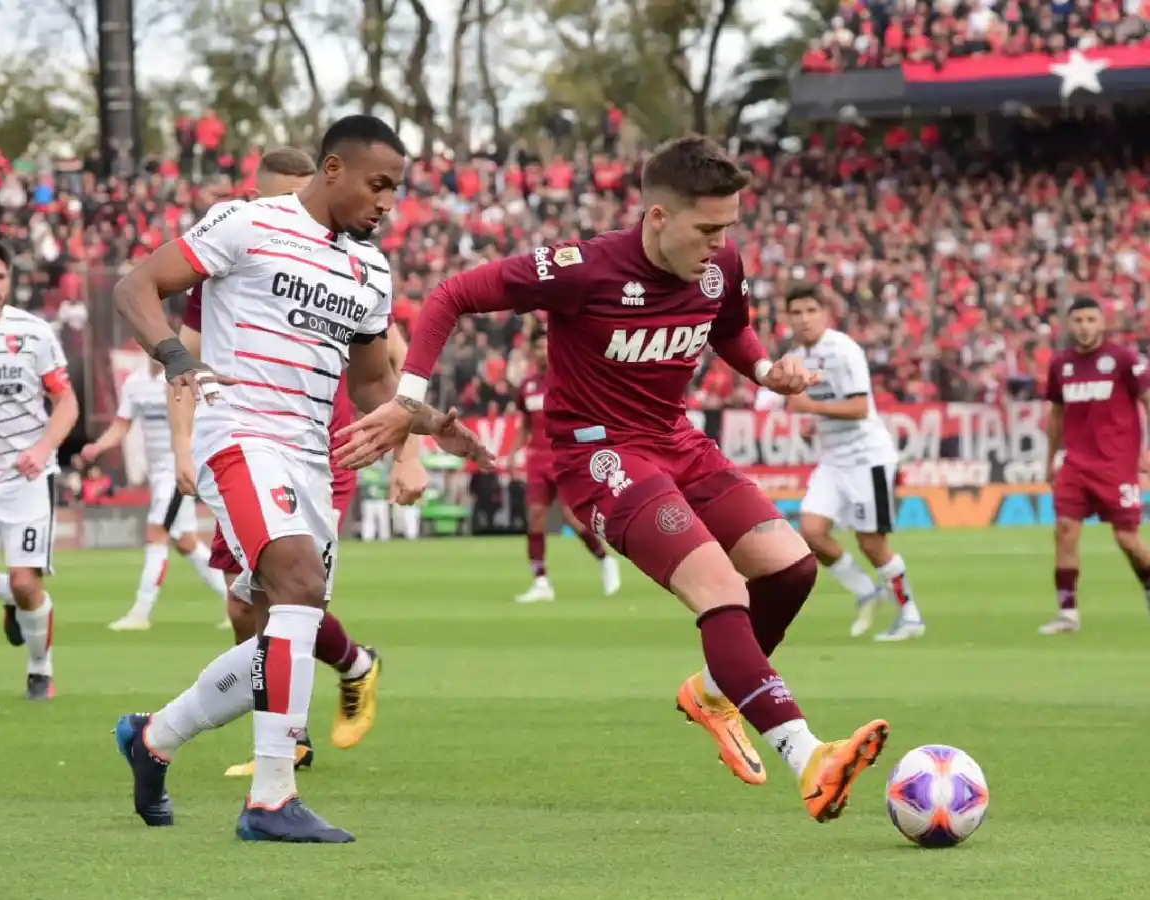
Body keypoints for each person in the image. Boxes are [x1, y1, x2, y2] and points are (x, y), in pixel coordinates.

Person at [344, 136, 889, 823]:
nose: (720, 245)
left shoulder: (720, 264)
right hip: (599, 457)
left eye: (729, 229)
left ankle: (716, 692)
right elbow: (453, 293)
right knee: (719, 588)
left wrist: (764, 372)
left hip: (676, 440)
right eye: (708, 229)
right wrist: (410, 400)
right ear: (657, 219)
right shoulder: (583, 269)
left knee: (791, 570)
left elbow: (731, 329)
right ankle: (809, 755)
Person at [112, 116, 490, 843]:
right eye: (378, 184)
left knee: (284, 631)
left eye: (397, 190)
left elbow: (377, 384)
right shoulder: (247, 224)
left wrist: (432, 425)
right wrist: (174, 357)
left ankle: (152, 736)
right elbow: (137, 285)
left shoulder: (370, 270)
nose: (388, 202)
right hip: (240, 439)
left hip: (312, 461)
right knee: (297, 586)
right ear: (332, 168)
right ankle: (271, 799)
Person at [166, 147, 426, 777]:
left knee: (290, 592)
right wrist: (183, 444)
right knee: (251, 606)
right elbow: (184, 360)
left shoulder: (358, 265)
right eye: (272, 199)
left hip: (327, 448)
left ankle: (276, 742)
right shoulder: (233, 257)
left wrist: (408, 454)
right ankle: (331, 688)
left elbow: (392, 376)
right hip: (247, 445)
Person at [0, 238, 79, 699]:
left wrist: (44, 448)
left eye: (0, 277)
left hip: (26, 477)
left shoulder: (35, 334)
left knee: (29, 582)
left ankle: (40, 669)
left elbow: (66, 402)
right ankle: (6, 594)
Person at [779, 285, 924, 641]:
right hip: (833, 460)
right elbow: (824, 408)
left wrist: (811, 408)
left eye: (810, 310)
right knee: (811, 532)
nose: (804, 318)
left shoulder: (844, 350)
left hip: (867, 458)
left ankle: (910, 616)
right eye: (796, 313)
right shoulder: (797, 356)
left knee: (872, 543)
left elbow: (859, 407)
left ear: (824, 313)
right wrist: (814, 427)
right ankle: (865, 591)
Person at [81, 357, 229, 630]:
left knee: (156, 533)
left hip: (178, 469)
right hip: (158, 473)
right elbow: (122, 424)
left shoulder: (183, 379)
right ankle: (236, 600)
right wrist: (97, 448)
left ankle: (140, 612)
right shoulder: (135, 384)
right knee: (186, 542)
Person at [1041, 297, 1150, 635]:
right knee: (1065, 530)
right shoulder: (1061, 365)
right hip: (1076, 464)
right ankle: (1067, 613)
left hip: (1116, 465)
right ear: (1069, 325)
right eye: (1078, 320)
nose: (1084, 326)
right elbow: (1057, 415)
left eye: (1091, 319)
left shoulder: (1124, 360)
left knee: (1128, 540)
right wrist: (1051, 459)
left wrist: (1145, 451)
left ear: (1102, 323)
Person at [512, 331, 620, 603]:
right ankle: (541, 582)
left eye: (544, 346)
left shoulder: (569, 380)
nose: (540, 352)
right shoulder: (527, 387)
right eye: (536, 347)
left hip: (564, 457)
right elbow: (524, 424)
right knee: (536, 518)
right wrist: (514, 453)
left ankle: (605, 559)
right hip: (536, 460)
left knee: (573, 517)